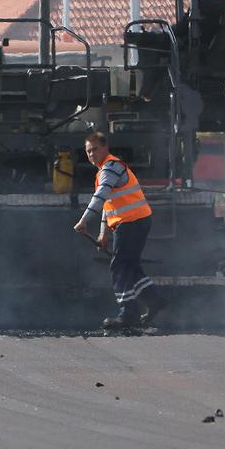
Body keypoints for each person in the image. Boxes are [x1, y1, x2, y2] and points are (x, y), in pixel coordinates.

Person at [72, 132, 168, 330]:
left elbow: (100, 197)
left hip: (131, 222)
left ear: (105, 148)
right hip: (135, 222)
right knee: (130, 266)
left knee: (119, 267)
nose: (91, 154)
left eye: (95, 149)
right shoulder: (105, 171)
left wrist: (83, 220)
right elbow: (108, 205)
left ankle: (128, 314)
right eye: (88, 151)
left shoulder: (110, 167)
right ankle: (155, 299)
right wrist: (103, 233)